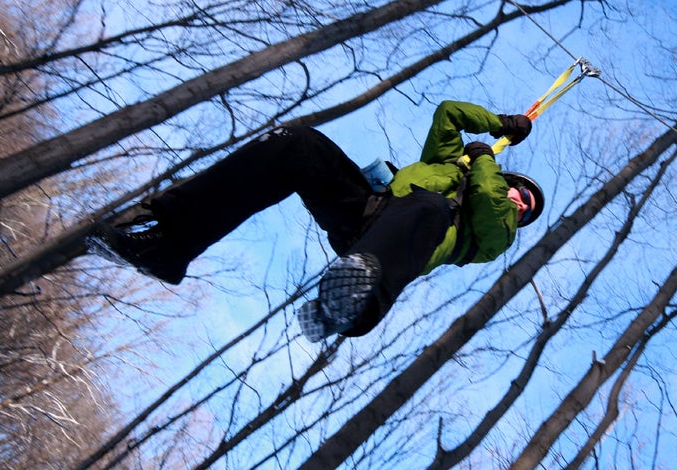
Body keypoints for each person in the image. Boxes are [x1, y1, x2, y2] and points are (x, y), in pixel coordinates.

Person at [89, 101, 544, 340]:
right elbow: (448, 113)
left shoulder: (495, 235)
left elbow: (487, 200)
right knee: (298, 145)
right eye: (523, 192)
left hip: (401, 240)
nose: (522, 202)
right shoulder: (448, 165)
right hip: (363, 211)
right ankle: (170, 244)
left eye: (527, 207)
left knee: (428, 207)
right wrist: (498, 123)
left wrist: (483, 158)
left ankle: (352, 308)